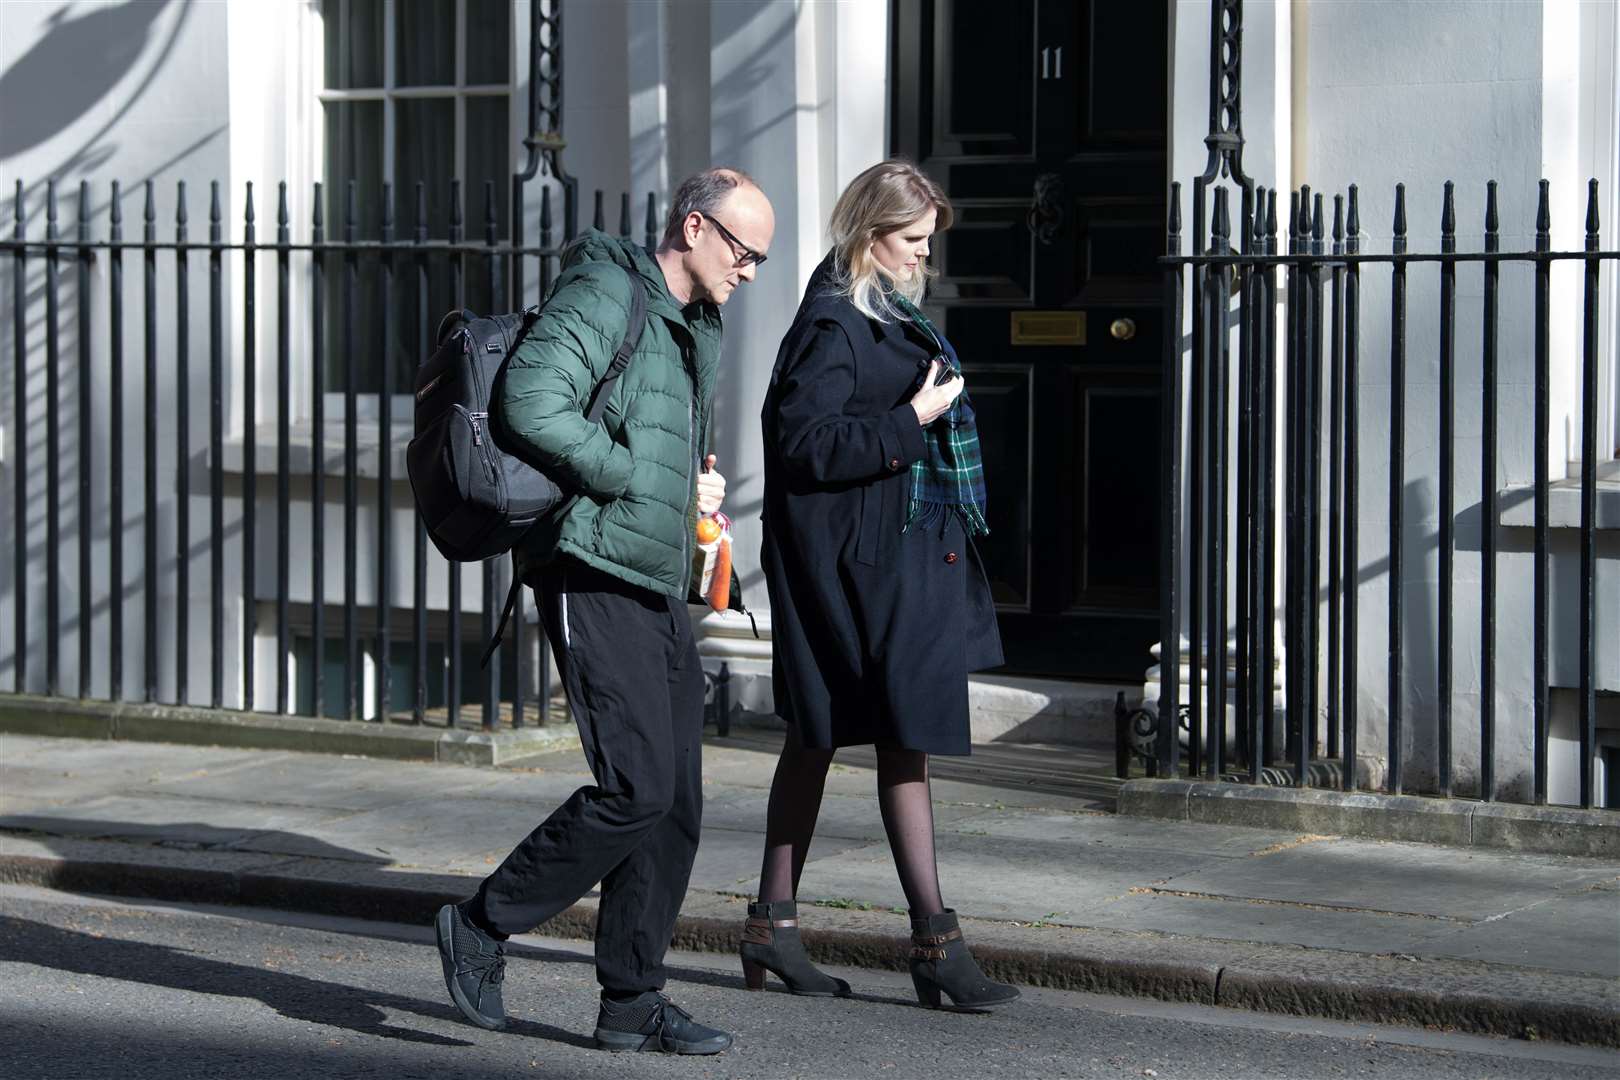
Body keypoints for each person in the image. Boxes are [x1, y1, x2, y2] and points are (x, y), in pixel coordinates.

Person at [435, 167, 775, 1054]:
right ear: (695, 228)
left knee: (678, 804)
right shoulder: (605, 290)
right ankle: (481, 923)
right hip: (589, 565)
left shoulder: (692, 323)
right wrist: (626, 476)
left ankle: (631, 1000)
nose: (749, 271)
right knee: (635, 789)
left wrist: (687, 490)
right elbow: (529, 401)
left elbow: (643, 424)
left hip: (652, 573)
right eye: (744, 251)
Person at [745, 160, 1019, 1011]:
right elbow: (805, 445)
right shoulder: (833, 322)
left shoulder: (882, 311)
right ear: (870, 236)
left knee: (861, 736)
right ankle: (929, 941)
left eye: (927, 245)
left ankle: (777, 927)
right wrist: (915, 421)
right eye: (910, 242)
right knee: (866, 735)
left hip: (895, 560)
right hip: (859, 570)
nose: (921, 260)